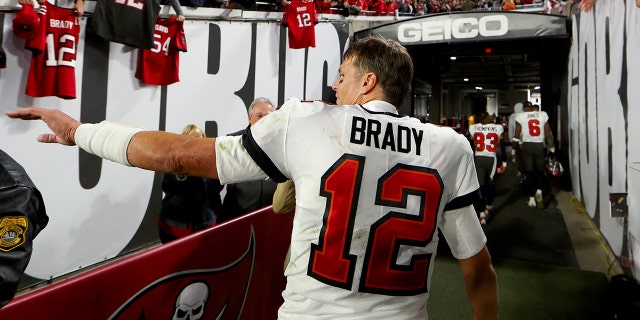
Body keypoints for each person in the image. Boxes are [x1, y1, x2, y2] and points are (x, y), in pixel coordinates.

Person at [6, 35, 498, 319]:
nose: (334, 83)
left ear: (368, 82)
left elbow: (178, 155)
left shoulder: (310, 122)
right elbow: (476, 268)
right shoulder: (449, 147)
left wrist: (79, 131)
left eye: (343, 75)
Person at [218, 97, 278, 223]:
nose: (264, 120)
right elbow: (213, 185)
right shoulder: (232, 141)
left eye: (268, 116)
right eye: (259, 116)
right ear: (249, 118)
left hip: (273, 221)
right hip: (237, 220)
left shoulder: (284, 145)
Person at [157, 124, 217, 243]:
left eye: (199, 138)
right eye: (191, 139)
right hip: (175, 226)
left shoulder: (211, 161)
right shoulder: (172, 160)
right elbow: (167, 186)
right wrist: (181, 175)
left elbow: (215, 190)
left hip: (204, 223)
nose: (196, 143)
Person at [512, 101, 555, 209]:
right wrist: (552, 148)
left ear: (524, 108)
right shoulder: (542, 114)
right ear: (531, 107)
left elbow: (516, 134)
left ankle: (531, 198)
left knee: (529, 172)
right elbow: (548, 133)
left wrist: (513, 151)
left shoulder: (520, 116)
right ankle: (539, 191)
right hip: (539, 146)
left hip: (527, 146)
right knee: (540, 170)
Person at [468, 113, 506, 225]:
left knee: (480, 186)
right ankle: (488, 206)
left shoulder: (473, 128)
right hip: (491, 159)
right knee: (490, 185)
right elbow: (502, 144)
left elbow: (469, 143)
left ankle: (482, 214)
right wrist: (504, 161)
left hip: (478, 158)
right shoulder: (497, 127)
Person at [508, 102, 525, 179]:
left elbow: (511, 129)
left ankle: (521, 171)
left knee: (519, 157)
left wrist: (511, 139)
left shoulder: (512, 116)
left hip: (517, 140)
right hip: (526, 140)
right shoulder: (525, 115)